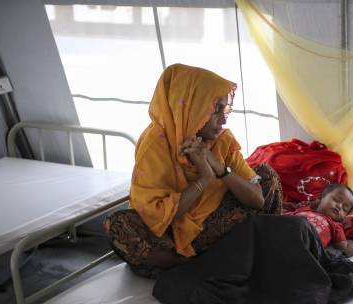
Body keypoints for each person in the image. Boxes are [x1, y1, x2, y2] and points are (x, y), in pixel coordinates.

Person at [104, 64, 283, 278]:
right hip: (168, 235)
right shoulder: (155, 145)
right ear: (191, 107)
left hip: (210, 228)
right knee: (117, 224)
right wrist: (205, 179)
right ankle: (198, 263)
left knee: (267, 176)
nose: (223, 119)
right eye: (215, 110)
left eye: (225, 109)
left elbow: (258, 199)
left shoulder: (222, 141)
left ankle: (199, 263)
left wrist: (220, 169)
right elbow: (159, 218)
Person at [290, 184, 353, 257]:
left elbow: (347, 250)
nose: (339, 206)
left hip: (303, 249)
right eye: (336, 200)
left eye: (345, 208)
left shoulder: (335, 226)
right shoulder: (304, 209)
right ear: (320, 197)